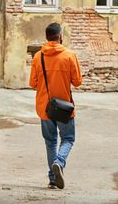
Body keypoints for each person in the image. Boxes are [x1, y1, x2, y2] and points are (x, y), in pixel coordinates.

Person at [29, 22, 82, 190]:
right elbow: (78, 82)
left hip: (45, 106)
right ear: (60, 36)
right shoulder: (69, 55)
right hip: (64, 107)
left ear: (46, 37)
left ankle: (53, 179)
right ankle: (59, 162)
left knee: (50, 142)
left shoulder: (38, 56)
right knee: (68, 139)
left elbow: (32, 83)